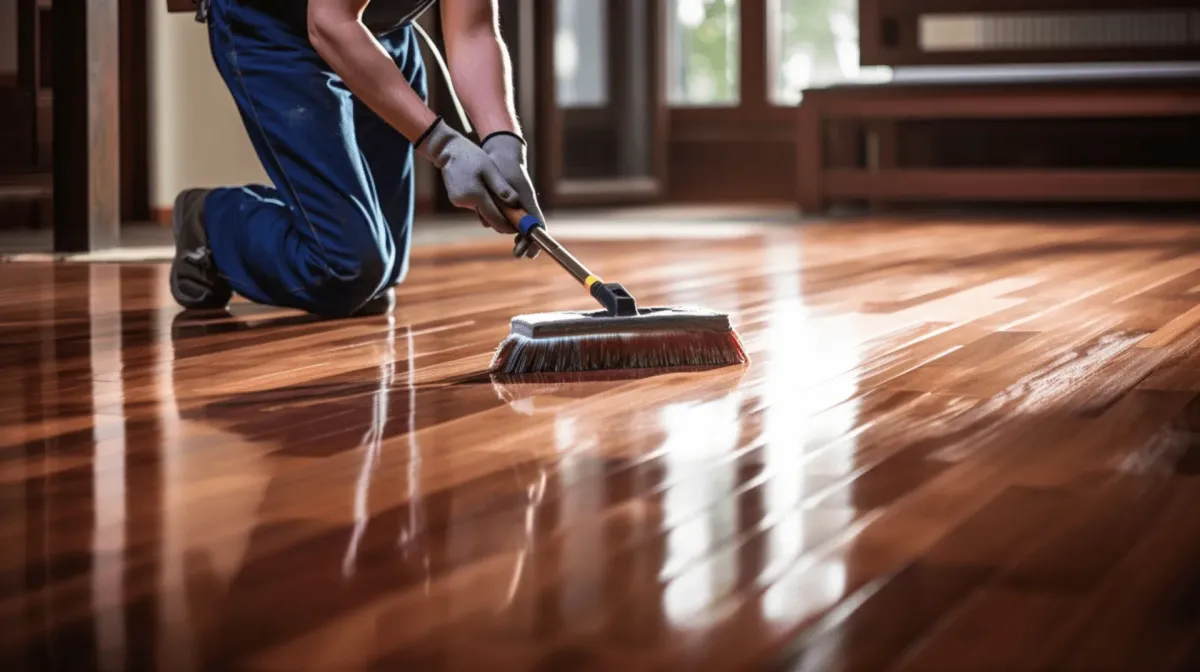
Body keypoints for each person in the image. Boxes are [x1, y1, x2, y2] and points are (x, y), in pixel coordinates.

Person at [170, 0, 544, 318]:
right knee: (349, 269)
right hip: (277, 30)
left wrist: (504, 143)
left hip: (379, 36)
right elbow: (329, 20)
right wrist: (445, 147)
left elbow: (473, 32)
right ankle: (210, 222)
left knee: (378, 282)